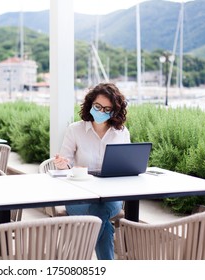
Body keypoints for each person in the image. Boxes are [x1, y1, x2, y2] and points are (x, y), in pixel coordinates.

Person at [54, 82, 130, 260]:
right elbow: (66, 164)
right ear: (90, 105)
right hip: (78, 196)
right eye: (98, 106)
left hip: (111, 196)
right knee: (102, 219)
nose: (101, 111)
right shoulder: (75, 130)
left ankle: (76, 260)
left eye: (107, 109)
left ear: (114, 111)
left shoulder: (121, 133)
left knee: (100, 209)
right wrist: (62, 164)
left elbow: (126, 166)